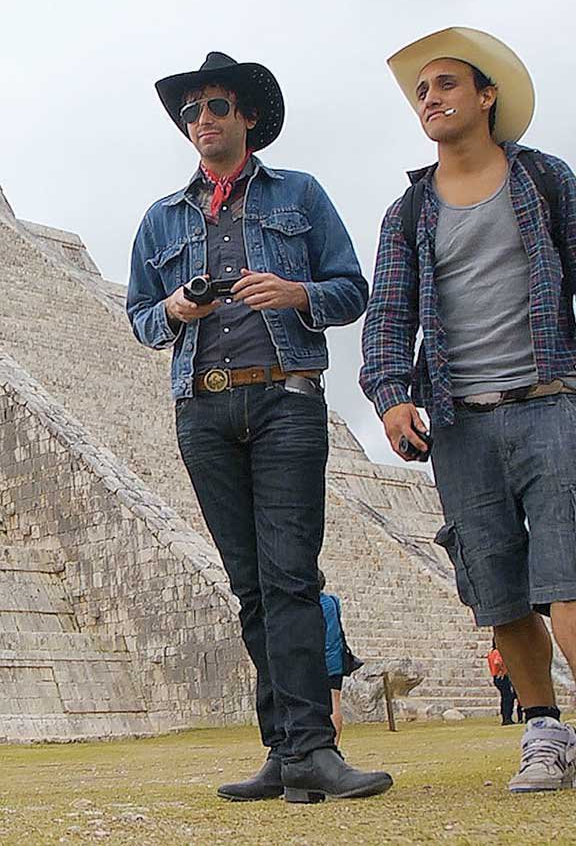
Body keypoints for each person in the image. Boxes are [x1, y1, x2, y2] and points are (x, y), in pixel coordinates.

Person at [360, 27, 576, 792]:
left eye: (446, 85)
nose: (431, 100)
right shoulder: (408, 212)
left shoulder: (544, 181)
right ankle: (545, 730)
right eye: (421, 92)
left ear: (487, 96)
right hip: (460, 420)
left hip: (546, 400)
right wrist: (390, 396)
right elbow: (386, 321)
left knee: (573, 555)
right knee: (497, 579)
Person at [127, 52, 389, 804]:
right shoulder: (161, 219)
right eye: (191, 113)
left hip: (285, 400)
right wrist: (176, 309)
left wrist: (295, 291)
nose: (201, 121)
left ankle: (312, 748)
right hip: (203, 406)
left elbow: (350, 289)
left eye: (214, 107)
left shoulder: (299, 194)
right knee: (249, 587)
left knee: (291, 579)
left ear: (245, 116)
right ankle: (284, 751)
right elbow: (141, 318)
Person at [318, 573, 352, 743]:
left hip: (318, 660)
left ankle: (322, 744)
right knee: (335, 703)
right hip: (336, 659)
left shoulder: (312, 606)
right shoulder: (333, 601)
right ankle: (335, 745)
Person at [489, 646, 519, 726]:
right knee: (508, 697)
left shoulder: (491, 653)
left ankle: (505, 717)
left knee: (505, 697)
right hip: (502, 676)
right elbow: (497, 662)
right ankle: (507, 718)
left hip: (496, 676)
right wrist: (503, 670)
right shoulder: (498, 652)